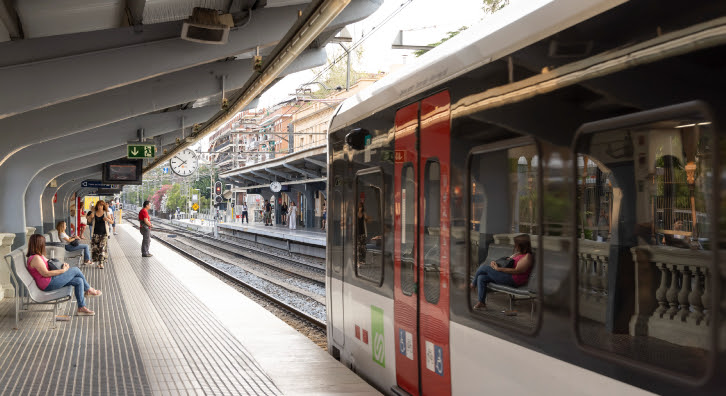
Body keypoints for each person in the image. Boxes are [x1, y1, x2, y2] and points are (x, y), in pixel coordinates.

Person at [26, 234, 101, 316]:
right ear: (39, 244)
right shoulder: (35, 258)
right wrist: (63, 270)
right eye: (43, 243)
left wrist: (62, 265)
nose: (44, 245)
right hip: (48, 284)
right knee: (76, 270)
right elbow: (46, 273)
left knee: (78, 281)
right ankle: (88, 289)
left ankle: (81, 308)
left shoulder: (39, 256)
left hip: (51, 280)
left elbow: (51, 263)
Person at [470, 234, 534, 310]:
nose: (515, 246)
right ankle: (481, 302)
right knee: (481, 278)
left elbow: (517, 271)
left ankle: (472, 285)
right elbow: (506, 262)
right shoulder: (518, 253)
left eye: (516, 244)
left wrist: (498, 269)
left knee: (483, 267)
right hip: (507, 276)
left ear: (522, 245)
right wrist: (495, 263)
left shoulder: (527, 257)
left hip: (514, 280)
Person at [86, 200, 113, 269]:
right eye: (98, 205)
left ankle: (101, 263)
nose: (99, 207)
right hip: (95, 233)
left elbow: (112, 222)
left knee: (102, 247)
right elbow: (88, 221)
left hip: (104, 233)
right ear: (97, 206)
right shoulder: (94, 213)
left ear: (103, 206)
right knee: (96, 249)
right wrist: (90, 217)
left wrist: (107, 219)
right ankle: (98, 263)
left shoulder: (106, 213)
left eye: (101, 205)